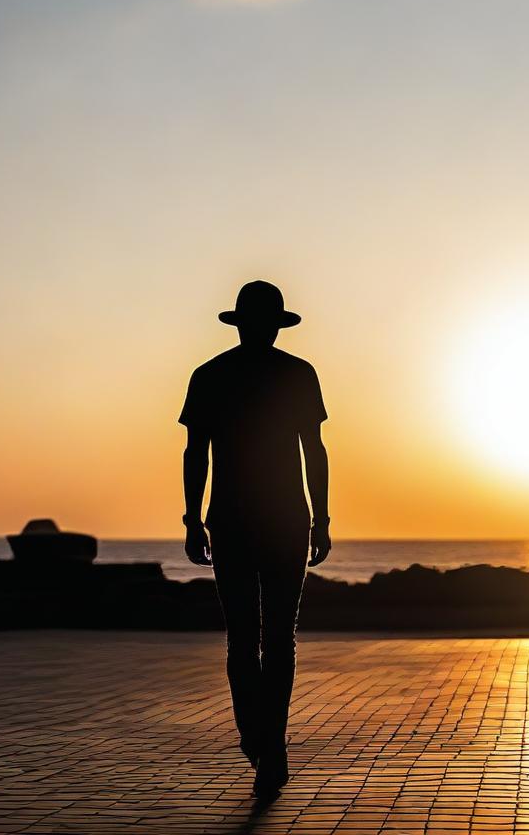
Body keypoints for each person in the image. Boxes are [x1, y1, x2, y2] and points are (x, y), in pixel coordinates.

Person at [179, 280, 331, 799]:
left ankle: (264, 740)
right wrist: (192, 520)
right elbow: (196, 451)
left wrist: (194, 520)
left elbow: (314, 450)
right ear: (258, 324)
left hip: (252, 521)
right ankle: (267, 739)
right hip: (268, 520)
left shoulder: (214, 375)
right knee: (264, 639)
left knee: (252, 638)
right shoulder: (291, 374)